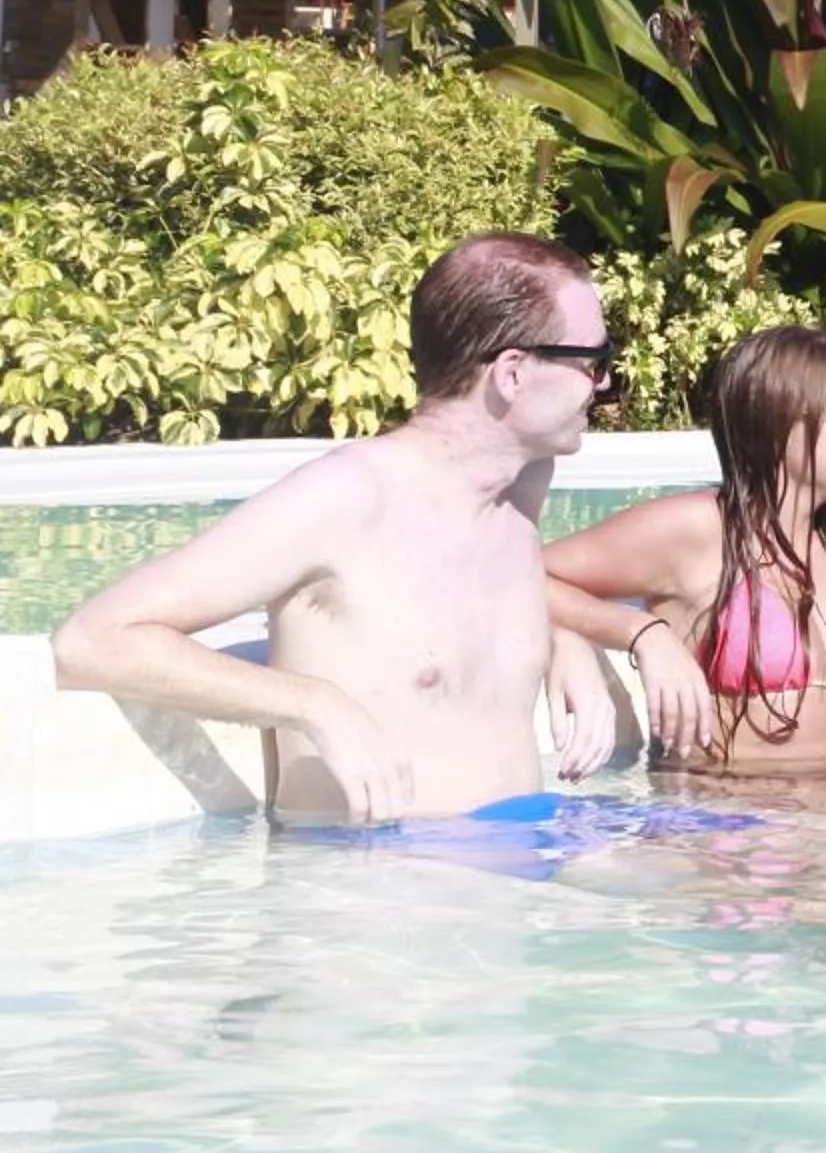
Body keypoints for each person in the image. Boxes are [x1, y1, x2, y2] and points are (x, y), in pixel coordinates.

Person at [51, 232, 620, 824]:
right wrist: (316, 705)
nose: (603, 385)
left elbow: (458, 613)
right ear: (512, 374)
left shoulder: (518, 490)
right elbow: (91, 643)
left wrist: (565, 641)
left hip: (520, 862)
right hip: (374, 889)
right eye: (593, 363)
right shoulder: (347, 499)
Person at [542, 327, 826, 774]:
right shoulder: (698, 532)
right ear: (779, 422)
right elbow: (521, 575)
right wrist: (639, 632)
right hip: (733, 824)